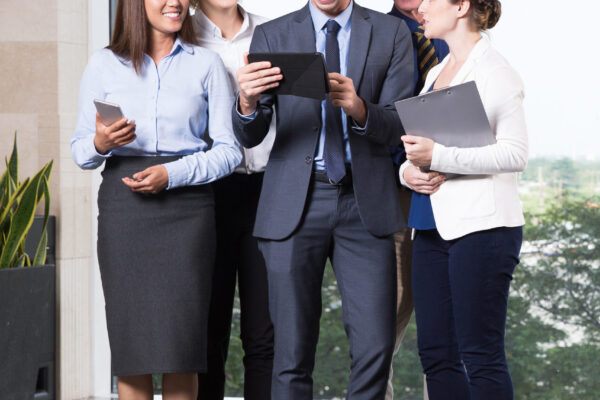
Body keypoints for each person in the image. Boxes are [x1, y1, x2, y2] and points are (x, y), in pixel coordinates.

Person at [232, 0, 414, 398]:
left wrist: (360, 108)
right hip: (294, 204)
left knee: (375, 348)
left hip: (365, 205)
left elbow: (401, 123)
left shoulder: (391, 32)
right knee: (290, 353)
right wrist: (245, 102)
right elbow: (251, 133)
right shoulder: (273, 34)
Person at [70, 0, 242, 398]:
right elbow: (81, 152)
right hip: (124, 210)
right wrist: (101, 142)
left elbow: (229, 151)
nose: (175, 2)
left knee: (181, 347)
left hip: (188, 212)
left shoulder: (206, 64)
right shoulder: (103, 64)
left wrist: (173, 174)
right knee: (134, 350)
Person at [399, 0, 528, 399]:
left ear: (460, 7)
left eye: (431, 0)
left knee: (481, 356)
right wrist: (408, 174)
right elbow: (414, 153)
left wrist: (438, 157)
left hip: (484, 230)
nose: (421, 6)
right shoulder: (437, 72)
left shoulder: (497, 72)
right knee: (436, 354)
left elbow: (514, 154)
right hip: (433, 228)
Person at [190, 1, 275, 399]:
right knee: (208, 329)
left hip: (269, 191)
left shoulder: (274, 33)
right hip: (207, 194)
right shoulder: (181, 36)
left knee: (264, 333)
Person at [386, 1, 449, 399]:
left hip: (446, 187)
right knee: (387, 312)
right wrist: (405, 167)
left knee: (443, 315)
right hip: (389, 192)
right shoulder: (375, 31)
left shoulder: (449, 35)